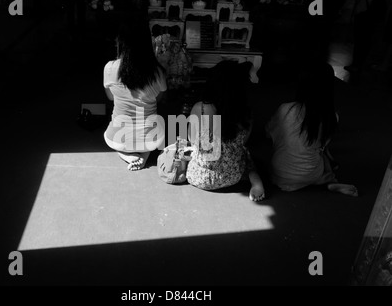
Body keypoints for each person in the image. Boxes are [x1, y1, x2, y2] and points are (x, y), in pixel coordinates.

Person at [266, 62, 358, 196]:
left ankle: (325, 180)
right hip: (311, 174)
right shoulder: (331, 117)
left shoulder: (285, 109)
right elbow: (322, 147)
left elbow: (268, 133)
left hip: (280, 175)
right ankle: (329, 180)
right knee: (320, 152)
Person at [186, 61, 266, 201]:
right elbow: (243, 141)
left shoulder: (201, 108)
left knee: (182, 150)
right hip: (234, 175)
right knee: (244, 154)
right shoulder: (245, 113)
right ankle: (255, 180)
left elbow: (192, 139)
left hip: (200, 176)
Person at [103, 19, 167, 171]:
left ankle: (127, 154)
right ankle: (145, 154)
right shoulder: (157, 72)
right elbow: (159, 99)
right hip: (153, 140)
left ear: (120, 42)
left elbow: (111, 97)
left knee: (112, 137)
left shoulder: (110, 68)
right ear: (147, 42)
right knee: (157, 125)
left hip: (118, 139)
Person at [344, 0, 388, 73]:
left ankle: (356, 64)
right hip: (374, 13)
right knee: (367, 40)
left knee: (359, 40)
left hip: (363, 11)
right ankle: (361, 64)